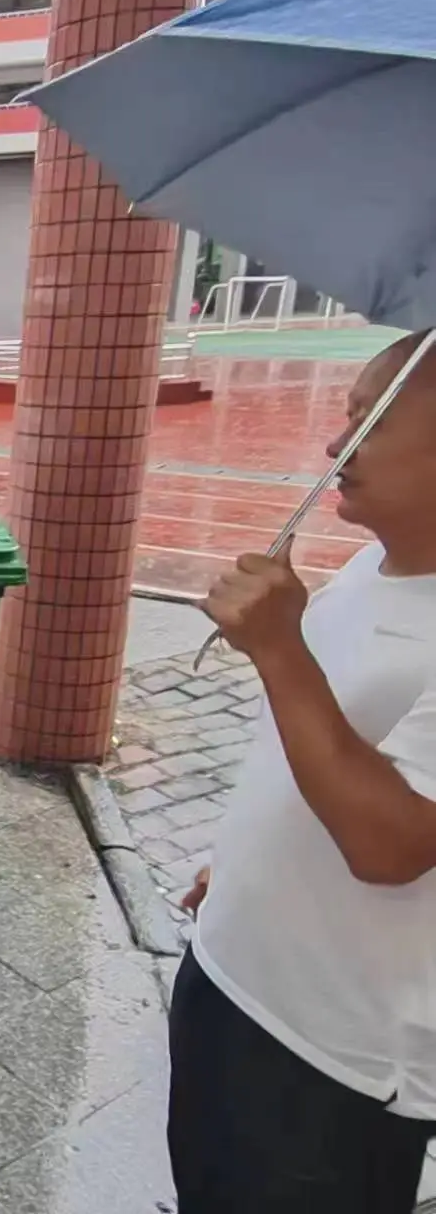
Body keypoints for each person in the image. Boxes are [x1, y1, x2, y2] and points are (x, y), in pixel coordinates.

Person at [171, 330, 436, 1212]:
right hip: (235, 981)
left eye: (369, 421)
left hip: (331, 1062)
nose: (336, 446)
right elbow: (318, 748)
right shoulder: (372, 568)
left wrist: (280, 649)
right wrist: (244, 873)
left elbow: (392, 843)